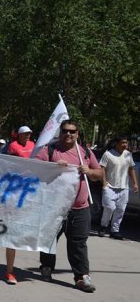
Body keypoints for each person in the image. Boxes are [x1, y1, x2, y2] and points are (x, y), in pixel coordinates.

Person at [36, 120, 102, 292]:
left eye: (72, 131)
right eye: (65, 131)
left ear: (77, 134)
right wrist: (52, 167)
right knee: (49, 239)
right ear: (61, 132)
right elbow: (35, 167)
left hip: (80, 207)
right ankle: (47, 266)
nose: (69, 134)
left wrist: (89, 171)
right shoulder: (50, 150)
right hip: (54, 207)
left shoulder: (85, 152)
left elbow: (99, 173)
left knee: (78, 243)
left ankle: (81, 277)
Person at [0, 125, 34, 284]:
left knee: (11, 236)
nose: (27, 136)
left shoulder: (33, 146)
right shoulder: (12, 147)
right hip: (5, 195)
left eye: (29, 134)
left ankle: (9, 272)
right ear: (18, 136)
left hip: (21, 195)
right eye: (25, 134)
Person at [98, 136, 138, 239]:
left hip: (124, 188)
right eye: (123, 142)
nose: (125, 145)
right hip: (110, 187)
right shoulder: (108, 154)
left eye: (126, 143)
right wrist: (104, 183)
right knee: (109, 208)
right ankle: (103, 226)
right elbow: (102, 169)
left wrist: (135, 183)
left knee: (120, 210)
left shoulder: (128, 154)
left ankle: (114, 231)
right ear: (117, 143)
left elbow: (131, 169)